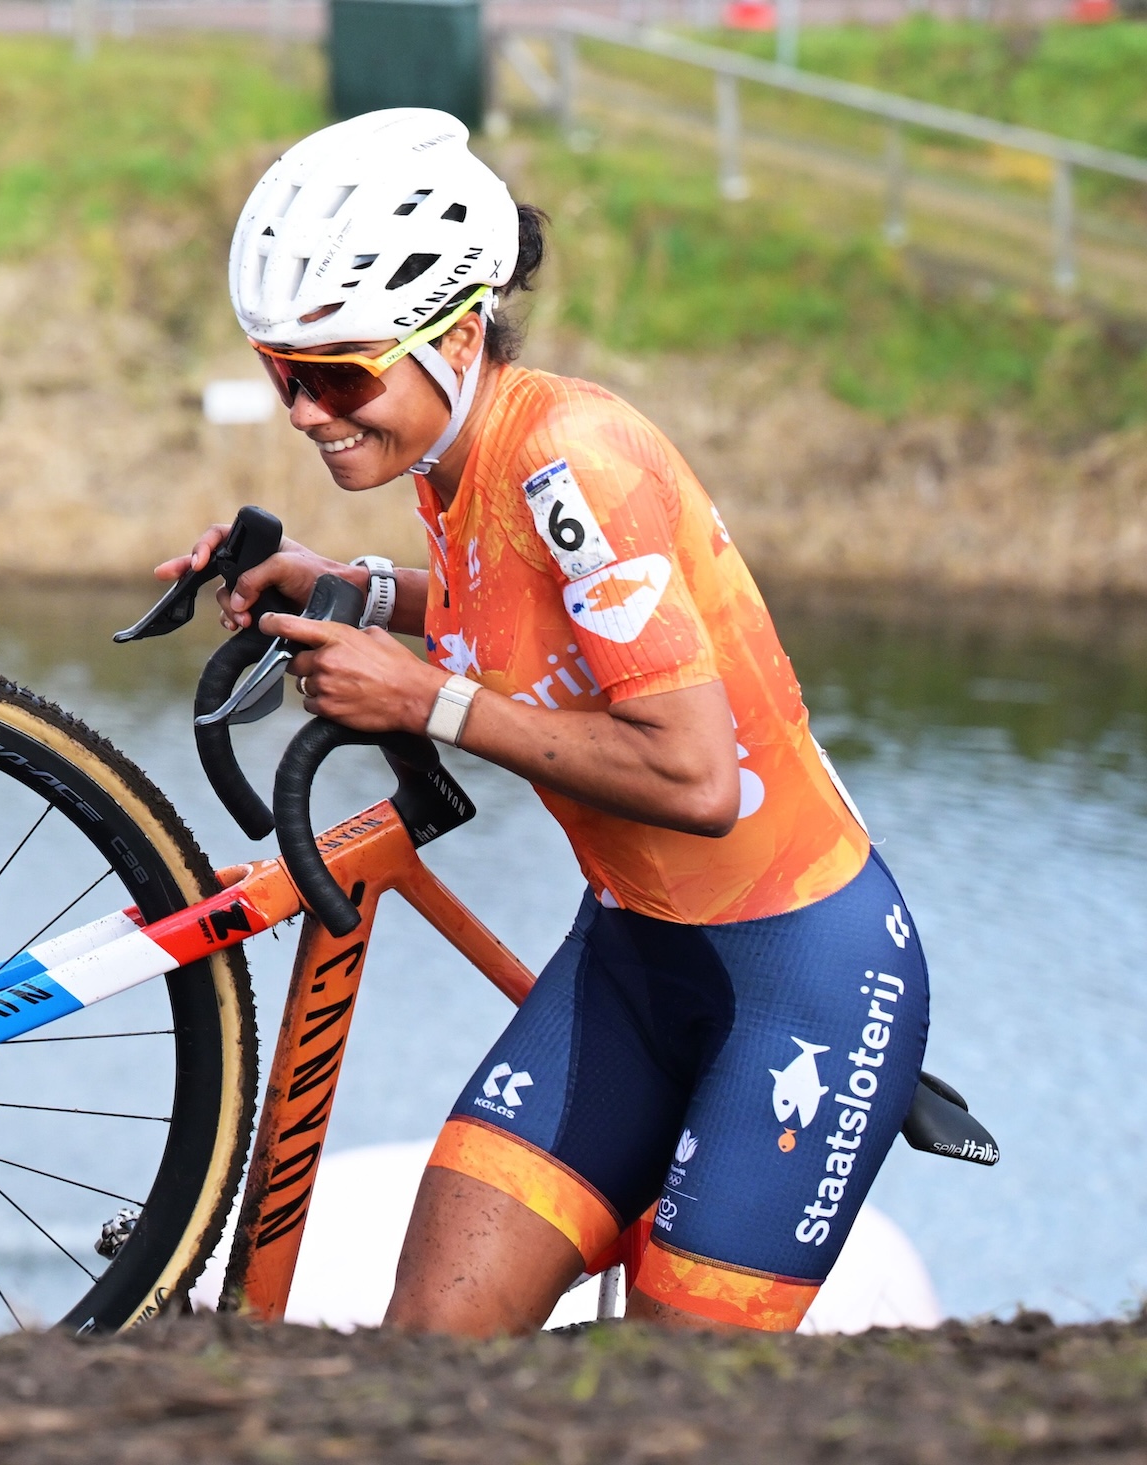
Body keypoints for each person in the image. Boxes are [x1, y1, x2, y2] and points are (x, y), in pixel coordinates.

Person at [160, 109, 929, 1335]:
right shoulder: (449, 455)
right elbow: (527, 625)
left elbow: (696, 780)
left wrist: (425, 702)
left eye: (339, 373)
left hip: (799, 980)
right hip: (628, 959)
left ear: (455, 335)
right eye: (282, 374)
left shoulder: (576, 463)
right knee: (429, 1363)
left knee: (668, 1408)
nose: (305, 411)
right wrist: (344, 585)